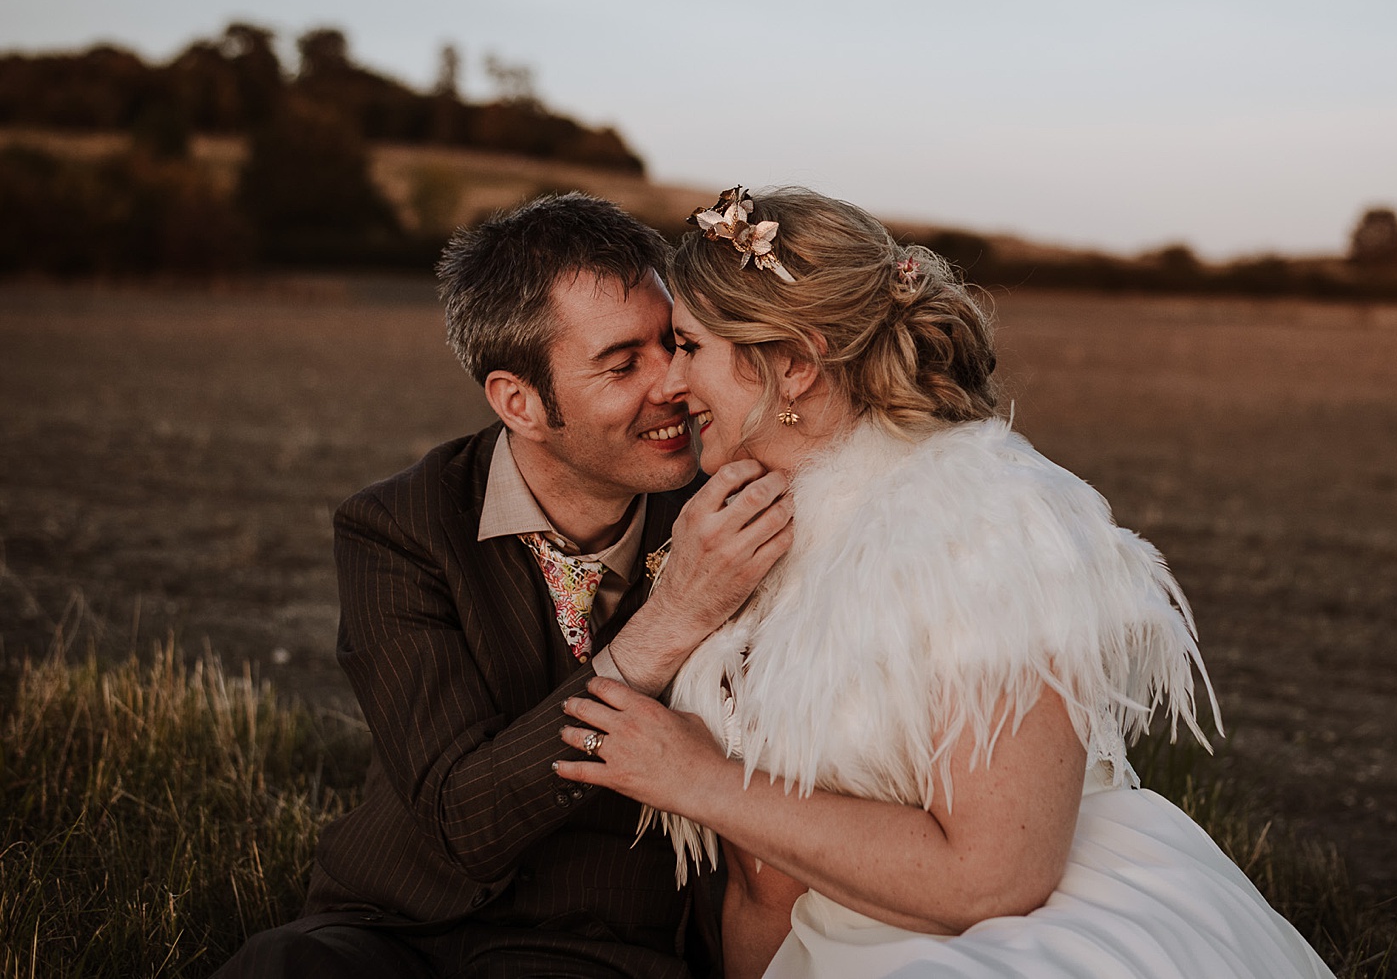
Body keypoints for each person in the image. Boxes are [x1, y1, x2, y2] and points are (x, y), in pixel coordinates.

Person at [550, 187, 1336, 978]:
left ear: (792, 364)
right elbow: (768, 882)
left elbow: (997, 877)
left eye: (688, 346)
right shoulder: (741, 523)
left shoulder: (984, 521)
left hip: (1022, 935)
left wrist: (699, 779)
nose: (672, 385)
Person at [215, 193, 794, 978]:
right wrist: (674, 616)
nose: (675, 383)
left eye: (676, 343)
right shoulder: (397, 526)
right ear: (519, 401)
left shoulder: (732, 514)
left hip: (598, 944)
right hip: (391, 924)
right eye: (624, 363)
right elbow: (462, 820)